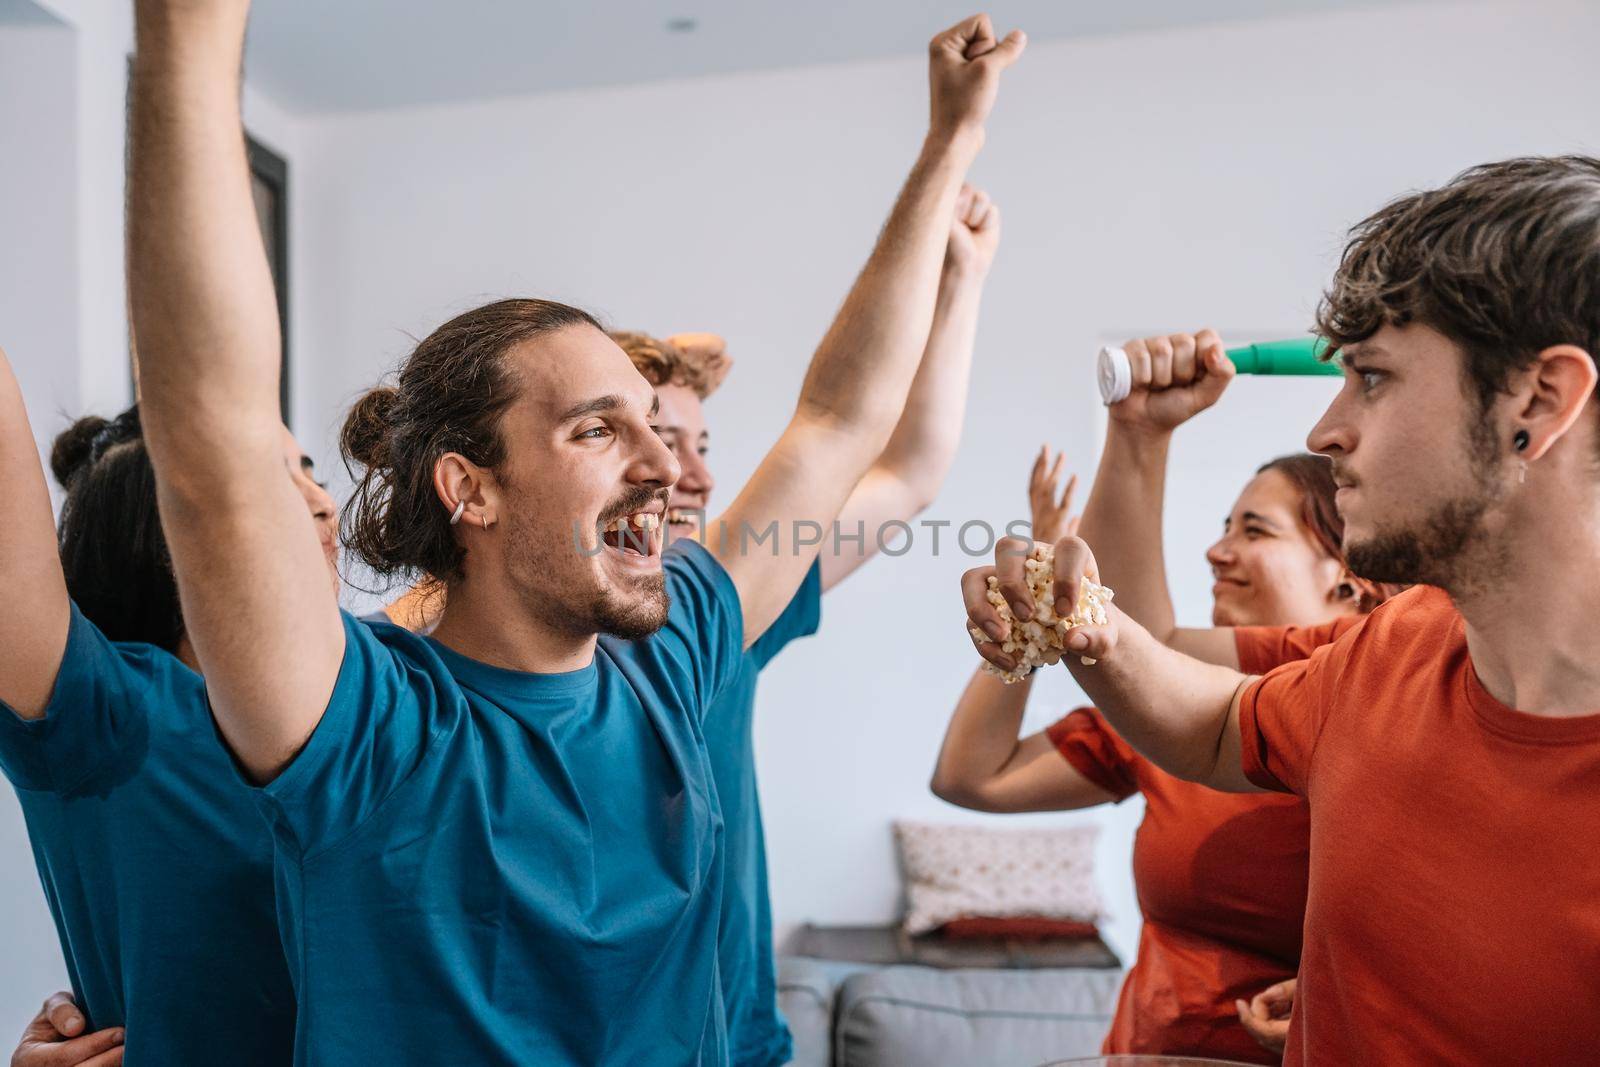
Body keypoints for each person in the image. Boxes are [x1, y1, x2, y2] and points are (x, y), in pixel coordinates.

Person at [126, 1, 1024, 1062]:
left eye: (655, 423)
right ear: (472, 488)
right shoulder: (362, 725)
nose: (662, 467)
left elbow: (836, 422)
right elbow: (215, 445)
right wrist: (186, 40)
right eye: (599, 429)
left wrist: (948, 140)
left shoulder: (676, 650)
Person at [961, 156, 1600, 1064]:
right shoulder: (1399, 647)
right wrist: (1087, 635)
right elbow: (1220, 726)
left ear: (1537, 402)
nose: (1326, 430)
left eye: (1373, 378)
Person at [932, 335, 1390, 1062]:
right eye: (1222, 527)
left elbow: (1142, 637)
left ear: (1348, 580)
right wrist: (1025, 624)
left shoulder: (1367, 684)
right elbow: (972, 775)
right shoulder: (1173, 706)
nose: (1216, 550)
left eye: (1254, 530)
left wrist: (1074, 592)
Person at [615, 193, 995, 1067]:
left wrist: (961, 283)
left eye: (699, 441)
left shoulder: (723, 611)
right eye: (662, 438)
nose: (694, 473)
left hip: (738, 1040)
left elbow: (908, 471)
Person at [0, 357, 336, 1063]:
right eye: (278, 480)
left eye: (313, 473)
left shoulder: (380, 708)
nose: (322, 502)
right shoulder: (109, 716)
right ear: (173, 532)